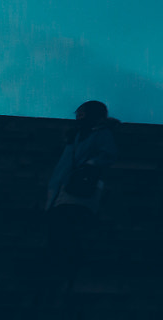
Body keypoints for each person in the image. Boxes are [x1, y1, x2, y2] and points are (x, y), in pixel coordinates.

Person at [44, 100, 119, 291]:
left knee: (66, 225)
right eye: (78, 113)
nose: (79, 117)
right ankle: (66, 267)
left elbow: (108, 155)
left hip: (81, 186)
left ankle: (70, 268)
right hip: (64, 186)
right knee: (61, 226)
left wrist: (89, 166)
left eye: (83, 113)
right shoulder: (76, 135)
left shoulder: (101, 133)